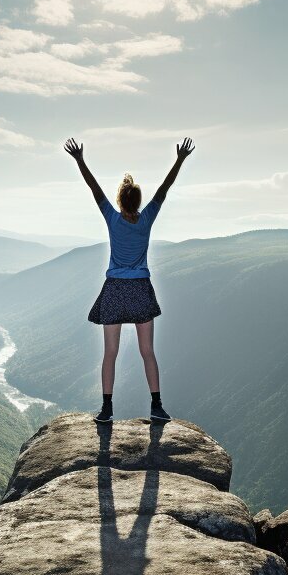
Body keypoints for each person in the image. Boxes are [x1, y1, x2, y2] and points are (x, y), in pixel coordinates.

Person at [64, 136, 194, 424]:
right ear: (138, 201)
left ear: (120, 201)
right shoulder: (147, 219)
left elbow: (94, 188)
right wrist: (180, 160)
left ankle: (107, 410)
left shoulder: (112, 218)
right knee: (147, 351)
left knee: (110, 353)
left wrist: (80, 161)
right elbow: (165, 188)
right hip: (140, 290)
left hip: (114, 290)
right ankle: (157, 406)